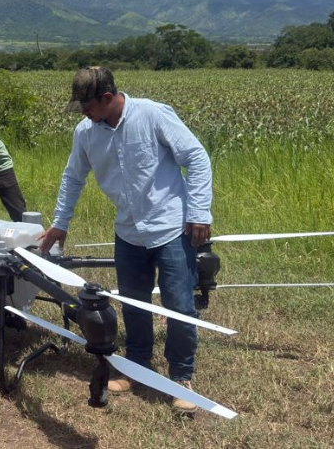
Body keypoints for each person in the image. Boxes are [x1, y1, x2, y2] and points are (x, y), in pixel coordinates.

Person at [38, 66, 212, 413]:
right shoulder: (86, 133)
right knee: (133, 303)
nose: (84, 114)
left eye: (87, 106)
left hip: (170, 228)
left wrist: (199, 213)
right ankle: (137, 365)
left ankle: (181, 378)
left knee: (179, 305)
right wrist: (60, 223)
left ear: (107, 98)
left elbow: (196, 157)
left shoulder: (152, 114)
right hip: (128, 232)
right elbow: (73, 177)